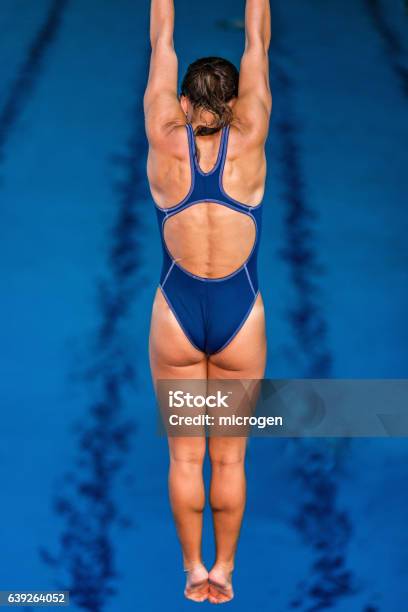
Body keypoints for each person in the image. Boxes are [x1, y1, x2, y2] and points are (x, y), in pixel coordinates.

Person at [144, 0, 271, 603]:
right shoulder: (252, 136)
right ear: (237, 101)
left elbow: (161, 41)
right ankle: (225, 570)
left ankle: (192, 568)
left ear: (185, 104)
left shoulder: (164, 140)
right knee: (230, 460)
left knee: (183, 456)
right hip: (239, 314)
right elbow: (257, 43)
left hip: (176, 310)